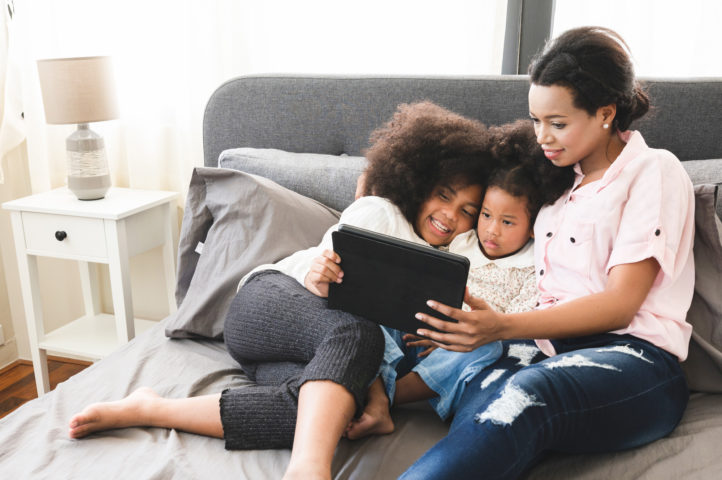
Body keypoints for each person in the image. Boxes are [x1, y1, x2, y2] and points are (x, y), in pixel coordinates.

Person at [67, 101, 495, 480]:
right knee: (356, 335)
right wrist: (322, 277)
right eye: (443, 196)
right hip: (268, 304)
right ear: (418, 183)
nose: (450, 216)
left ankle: (150, 408)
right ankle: (309, 470)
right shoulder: (382, 214)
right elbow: (329, 289)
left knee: (324, 413)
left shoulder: (453, 265)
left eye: (467, 212)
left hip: (319, 354)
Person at [400, 26, 695, 480]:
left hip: (635, 362)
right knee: (481, 391)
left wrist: (500, 326)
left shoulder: (653, 170)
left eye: (558, 123)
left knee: (528, 392)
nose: (542, 136)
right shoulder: (554, 184)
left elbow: (621, 305)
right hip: (542, 349)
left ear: (605, 113)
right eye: (536, 120)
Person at [345, 121, 573, 439]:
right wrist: (368, 182)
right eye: (485, 215)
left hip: (463, 346)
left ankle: (386, 396)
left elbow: (518, 324)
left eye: (508, 222)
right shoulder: (462, 239)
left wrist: (463, 333)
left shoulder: (532, 266)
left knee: (488, 349)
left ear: (533, 227)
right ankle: (376, 390)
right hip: (417, 330)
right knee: (369, 309)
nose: (492, 230)